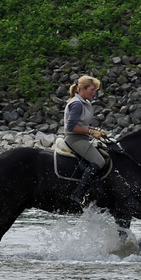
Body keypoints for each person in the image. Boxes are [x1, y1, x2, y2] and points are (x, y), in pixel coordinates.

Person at [63, 75, 107, 204]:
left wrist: (95, 130)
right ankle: (78, 193)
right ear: (83, 89)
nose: (94, 92)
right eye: (92, 90)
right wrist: (90, 132)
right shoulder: (77, 104)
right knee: (99, 160)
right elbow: (71, 127)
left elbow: (81, 123)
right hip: (75, 139)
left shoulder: (84, 102)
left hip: (82, 137)